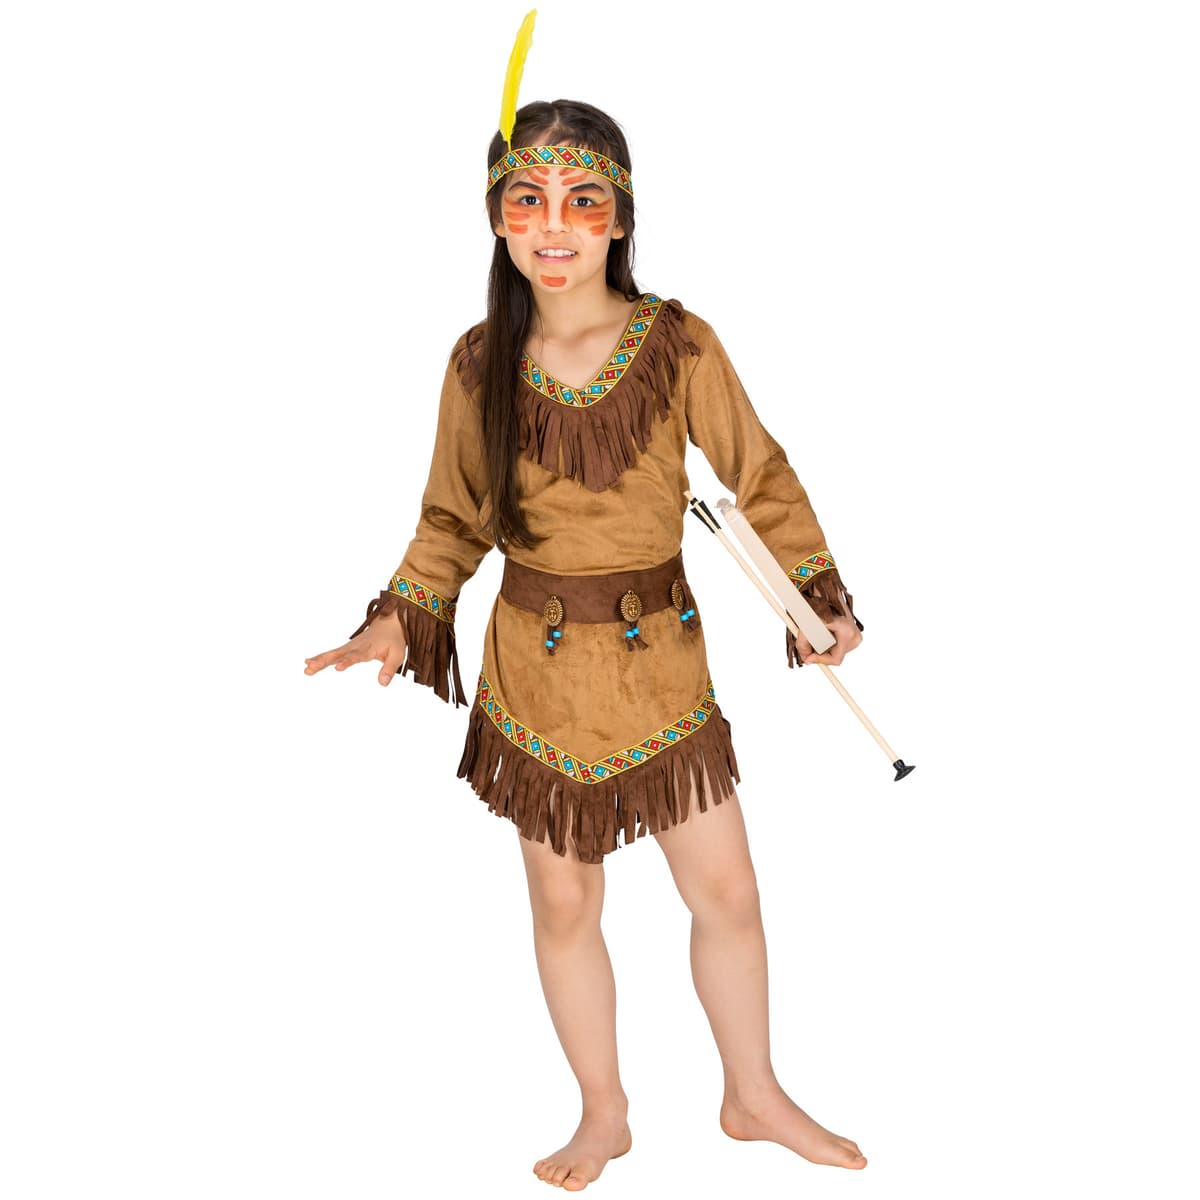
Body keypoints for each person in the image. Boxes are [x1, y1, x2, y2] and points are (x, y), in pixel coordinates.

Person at [305, 98, 867, 1189]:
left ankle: (751, 1095)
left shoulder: (678, 343)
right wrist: (397, 617)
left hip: (661, 668)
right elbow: (452, 519)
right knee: (564, 903)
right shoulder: (480, 361)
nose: (554, 225)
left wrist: (816, 598)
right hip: (538, 676)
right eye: (528, 200)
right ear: (497, 219)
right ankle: (604, 1114)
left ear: (621, 215)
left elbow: (759, 476)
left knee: (728, 891)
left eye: (581, 200)